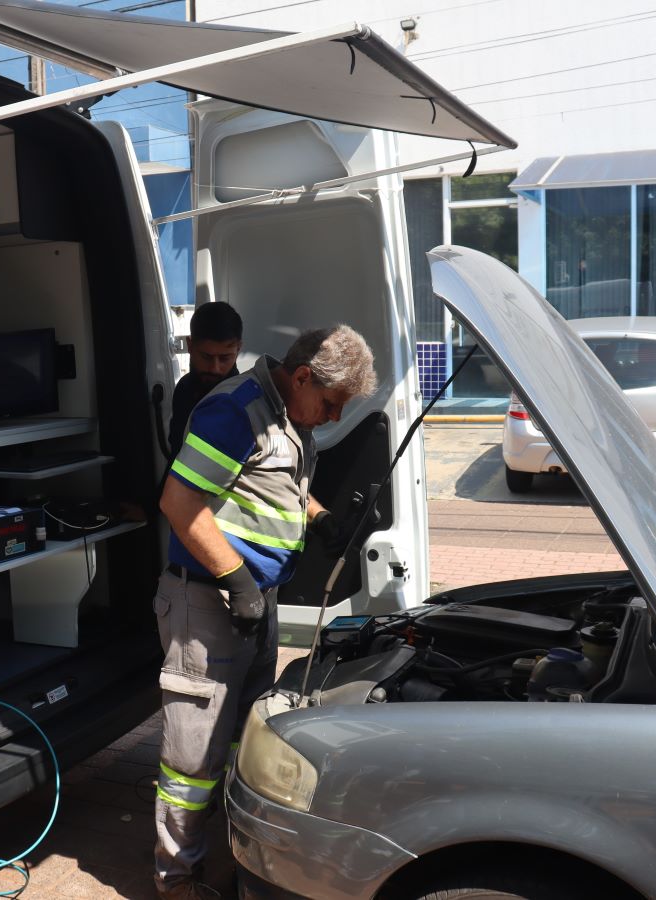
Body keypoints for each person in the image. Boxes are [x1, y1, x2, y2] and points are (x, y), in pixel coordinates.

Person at [152, 325, 377, 900]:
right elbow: (180, 502)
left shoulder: (289, 418)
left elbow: (274, 487)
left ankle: (227, 860)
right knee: (192, 761)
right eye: (329, 404)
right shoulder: (236, 411)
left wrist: (320, 517)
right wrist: (236, 581)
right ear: (302, 376)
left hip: (252, 603)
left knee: (241, 742)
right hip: (207, 602)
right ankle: (177, 883)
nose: (330, 418)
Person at [168, 303, 243, 460]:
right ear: (190, 345)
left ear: (238, 349)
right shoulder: (183, 389)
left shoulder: (246, 401)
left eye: (224, 358)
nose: (215, 368)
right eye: (206, 357)